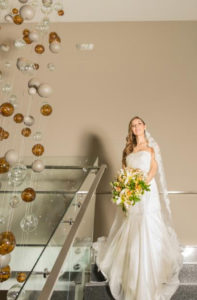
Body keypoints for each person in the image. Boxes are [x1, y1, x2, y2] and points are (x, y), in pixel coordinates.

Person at [93, 116, 183, 300]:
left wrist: (140, 186)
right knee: (133, 230)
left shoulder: (151, 148)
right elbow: (124, 172)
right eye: (133, 125)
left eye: (139, 124)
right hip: (132, 196)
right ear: (131, 129)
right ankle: (134, 278)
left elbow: (153, 170)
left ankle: (150, 277)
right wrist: (126, 190)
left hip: (147, 192)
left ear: (144, 126)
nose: (136, 127)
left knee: (148, 227)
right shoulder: (128, 150)